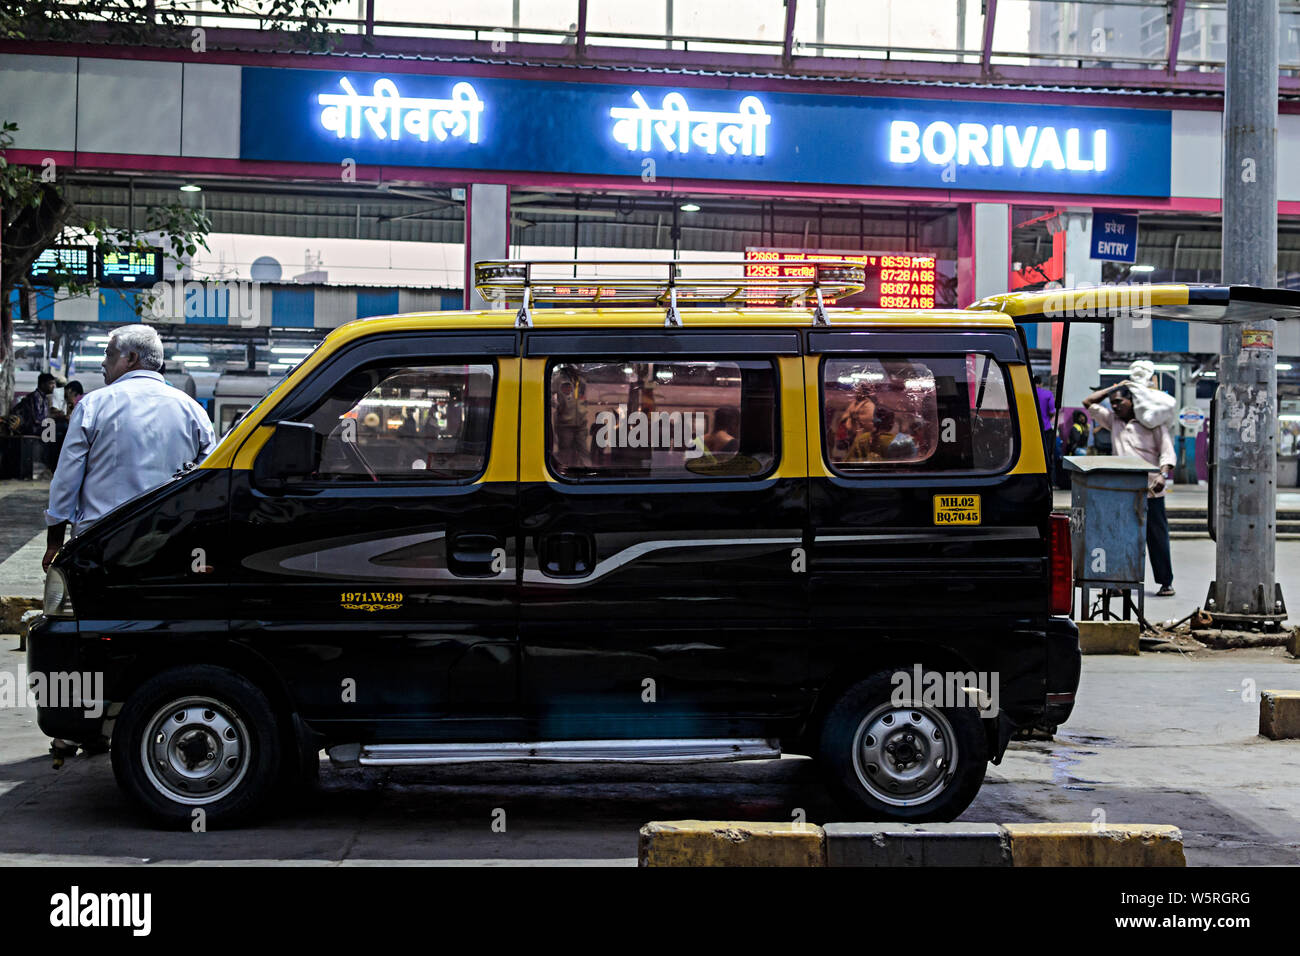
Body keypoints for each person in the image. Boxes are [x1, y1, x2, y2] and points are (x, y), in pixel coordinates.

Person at [42, 325, 215, 573]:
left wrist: (54, 542)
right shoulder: (193, 410)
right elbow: (208, 482)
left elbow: (66, 479)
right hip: (169, 540)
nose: (103, 362)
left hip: (100, 541)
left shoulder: (93, 405)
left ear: (131, 358)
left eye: (109, 354)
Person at [1082, 382, 1177, 597]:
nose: (1114, 406)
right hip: (1122, 491)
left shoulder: (1152, 423)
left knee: (1156, 537)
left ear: (1132, 401)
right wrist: (1114, 388)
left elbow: (1167, 452)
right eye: (1112, 403)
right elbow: (1088, 402)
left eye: (1119, 401)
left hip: (1151, 489)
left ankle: (1165, 582)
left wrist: (1163, 475)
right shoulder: (1113, 421)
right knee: (1122, 538)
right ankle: (1121, 583)